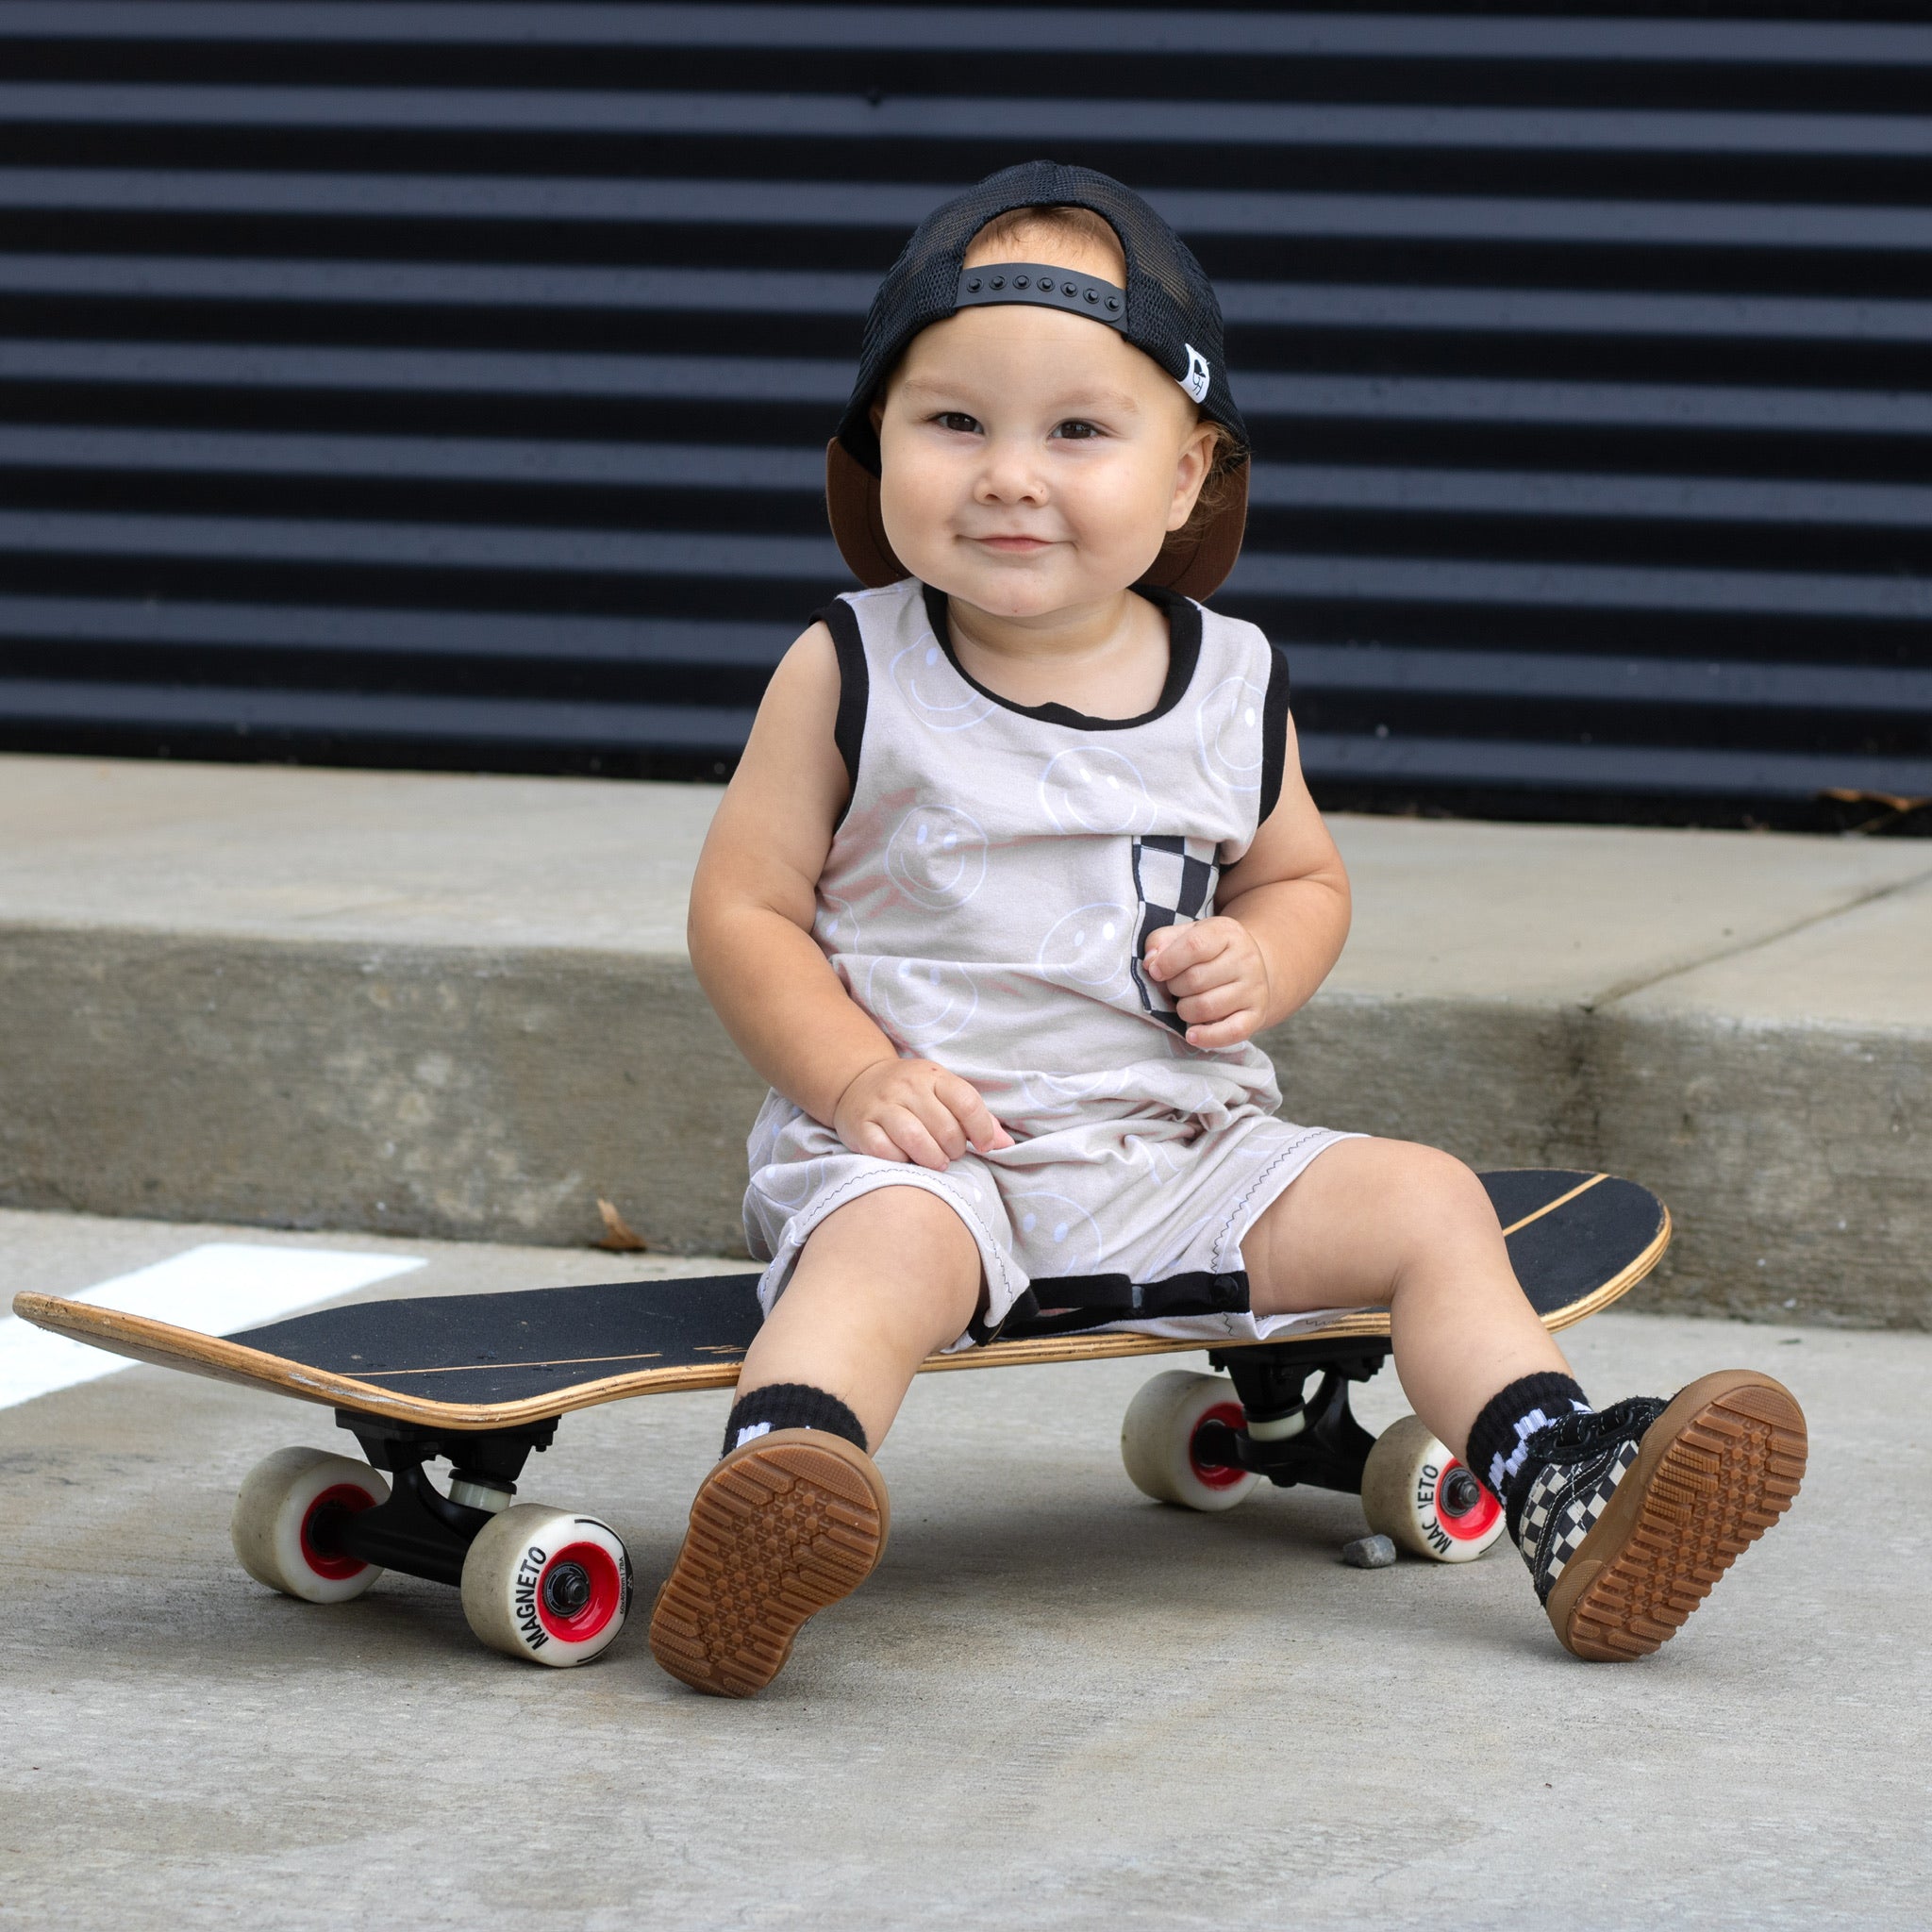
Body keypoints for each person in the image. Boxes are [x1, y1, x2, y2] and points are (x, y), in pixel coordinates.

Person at [650, 161, 1807, 1697]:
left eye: (1077, 429)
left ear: (1190, 473)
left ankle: (1560, 1478)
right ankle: (782, 1489)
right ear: (877, 446)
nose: (1008, 473)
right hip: (931, 1159)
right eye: (953, 423)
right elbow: (743, 909)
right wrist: (856, 1078)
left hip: (1182, 1154)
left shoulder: (1232, 680)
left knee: (1425, 1201)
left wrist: (1264, 955)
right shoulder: (852, 666)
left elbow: (1303, 878)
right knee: (867, 1269)